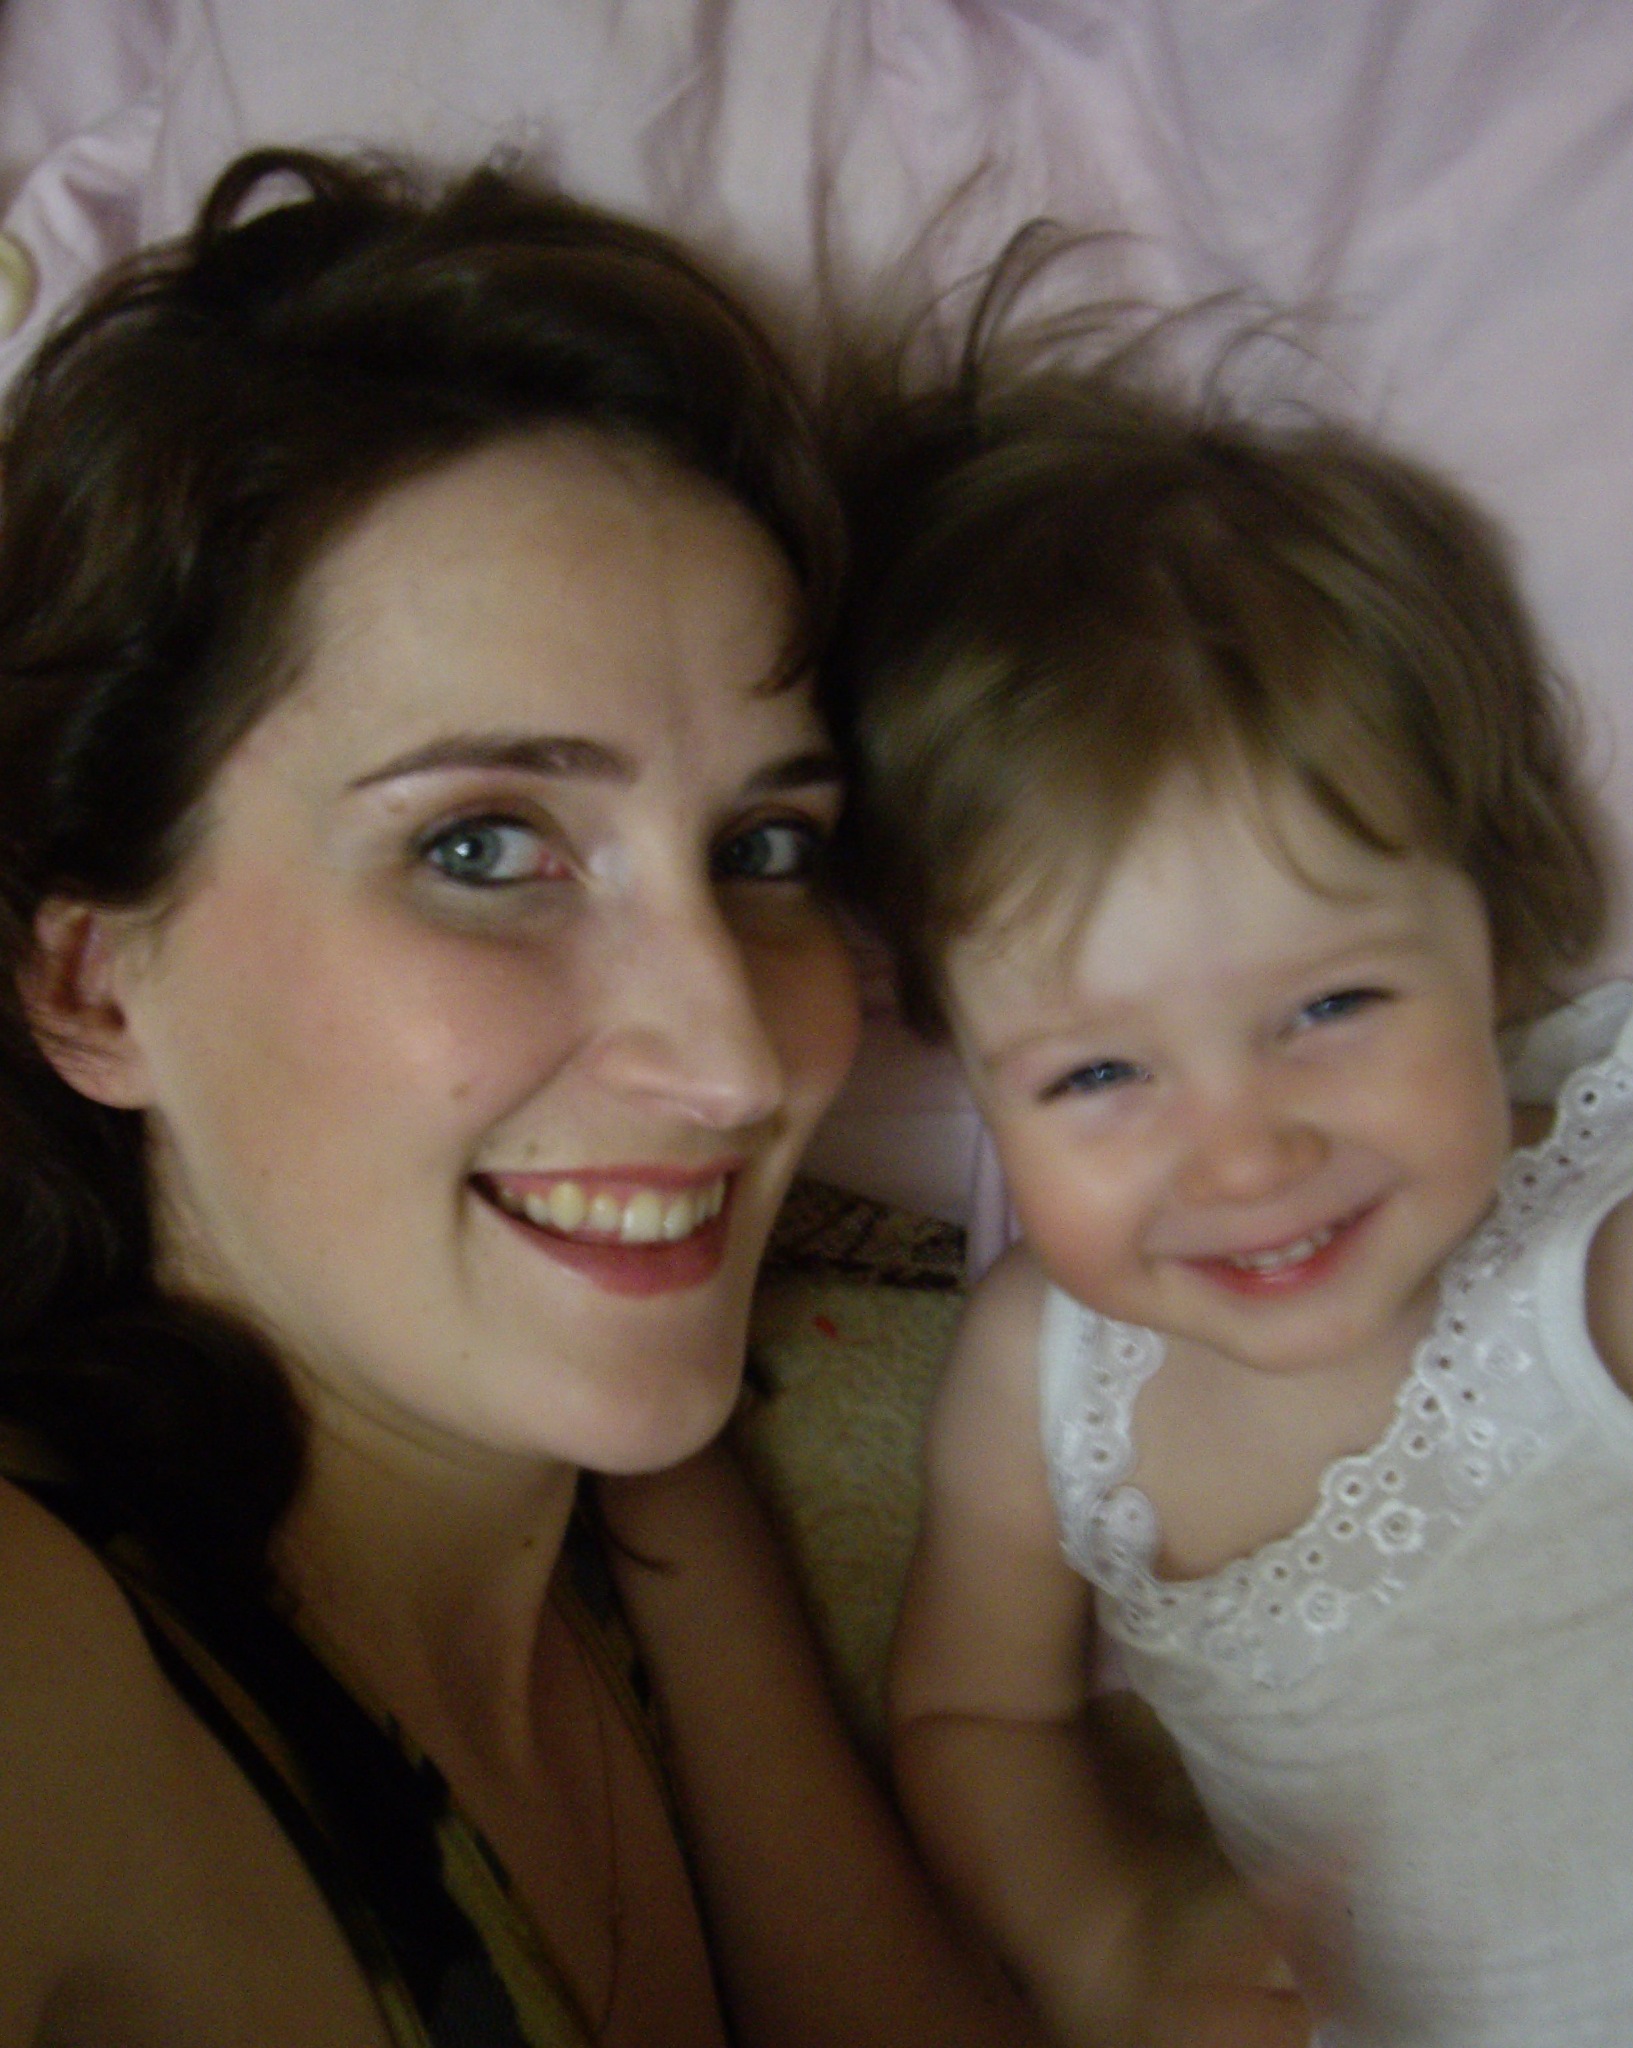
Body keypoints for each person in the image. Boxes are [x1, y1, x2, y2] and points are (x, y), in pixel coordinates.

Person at [0, 144, 1083, 2048]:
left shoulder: (627, 1519)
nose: (734, 1062)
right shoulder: (49, 1656)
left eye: (763, 847)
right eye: (483, 846)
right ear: (94, 982)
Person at [826, 367, 1633, 2045]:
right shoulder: (1039, 1387)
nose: (1243, 1159)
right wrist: (1106, 1937)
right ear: (968, 1073)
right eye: (1097, 1074)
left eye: (1329, 1007)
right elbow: (976, 1718)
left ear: (1493, 929)